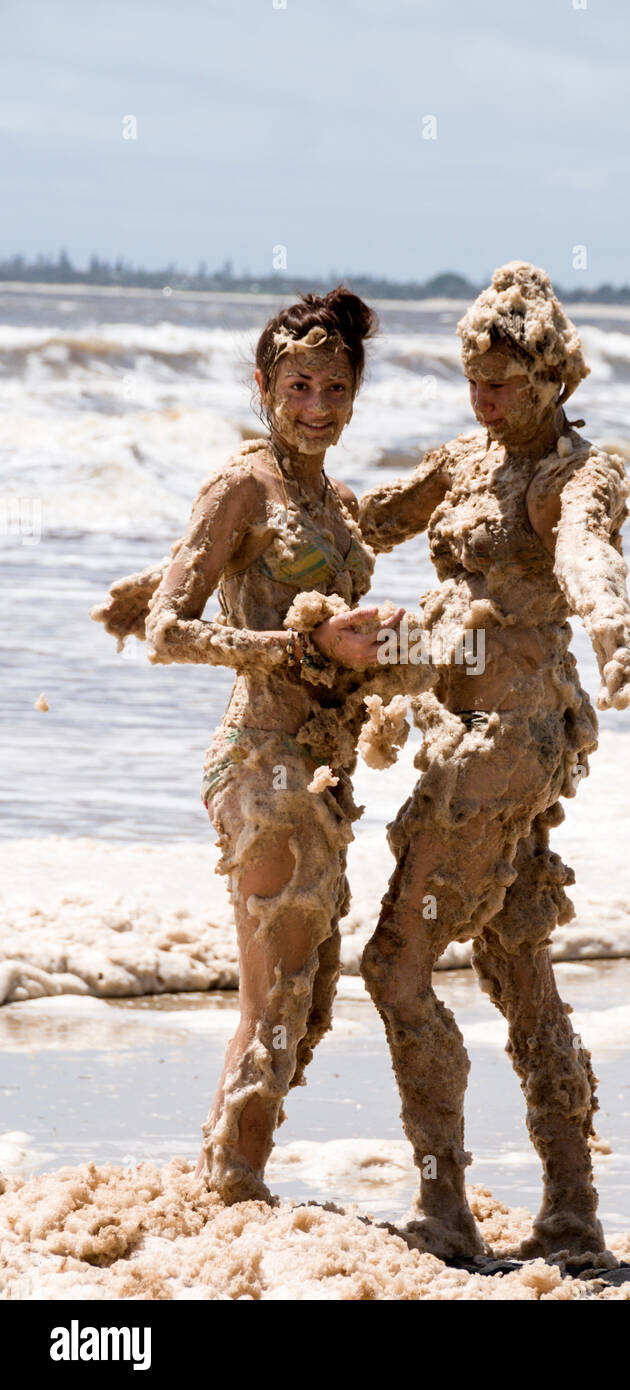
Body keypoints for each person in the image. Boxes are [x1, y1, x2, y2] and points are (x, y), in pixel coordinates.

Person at [91, 289, 418, 1205]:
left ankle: (222, 1176)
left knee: (307, 1003)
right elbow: (166, 628)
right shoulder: (242, 486)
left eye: (336, 388)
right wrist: (300, 646)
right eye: (299, 385)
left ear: (356, 394)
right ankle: (235, 1192)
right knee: (272, 996)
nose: (318, 407)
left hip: (323, 768)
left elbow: (346, 632)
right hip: (257, 762)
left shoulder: (335, 500)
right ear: (263, 387)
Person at [357, 262, 630, 1260]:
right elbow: (360, 523)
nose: (483, 396)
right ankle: (571, 1209)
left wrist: (607, 620)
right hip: (459, 724)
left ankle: (443, 1205)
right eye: (472, 376)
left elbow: (582, 552)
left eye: (503, 380)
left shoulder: (572, 473)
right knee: (515, 960)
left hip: (512, 744)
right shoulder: (465, 459)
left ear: (551, 376)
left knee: (394, 963)